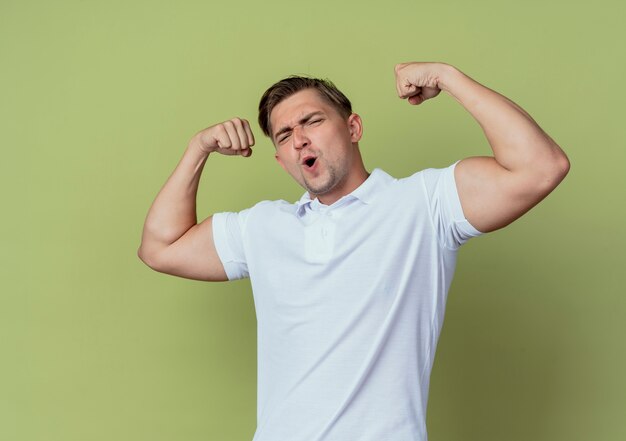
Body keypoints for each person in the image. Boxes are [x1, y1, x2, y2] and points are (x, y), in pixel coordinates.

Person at [138, 61, 569, 441]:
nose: (300, 140)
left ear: (353, 128)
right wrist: (199, 149)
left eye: (312, 121)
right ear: (281, 160)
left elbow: (540, 166)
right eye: (285, 135)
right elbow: (160, 246)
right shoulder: (263, 227)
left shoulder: (423, 204)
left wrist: (448, 77)